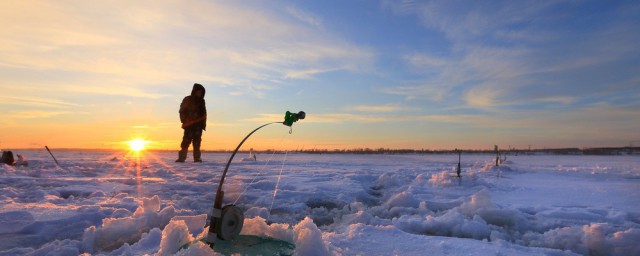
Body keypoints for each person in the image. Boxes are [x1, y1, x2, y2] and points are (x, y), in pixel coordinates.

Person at [176, 83, 207, 162]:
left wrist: (203, 124)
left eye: (201, 92)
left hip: (198, 126)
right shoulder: (187, 99)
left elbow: (204, 113)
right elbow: (182, 111)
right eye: (198, 92)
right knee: (186, 141)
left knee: (197, 143)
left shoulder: (202, 101)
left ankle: (197, 158)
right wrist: (184, 120)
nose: (200, 94)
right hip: (189, 125)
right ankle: (182, 157)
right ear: (194, 91)